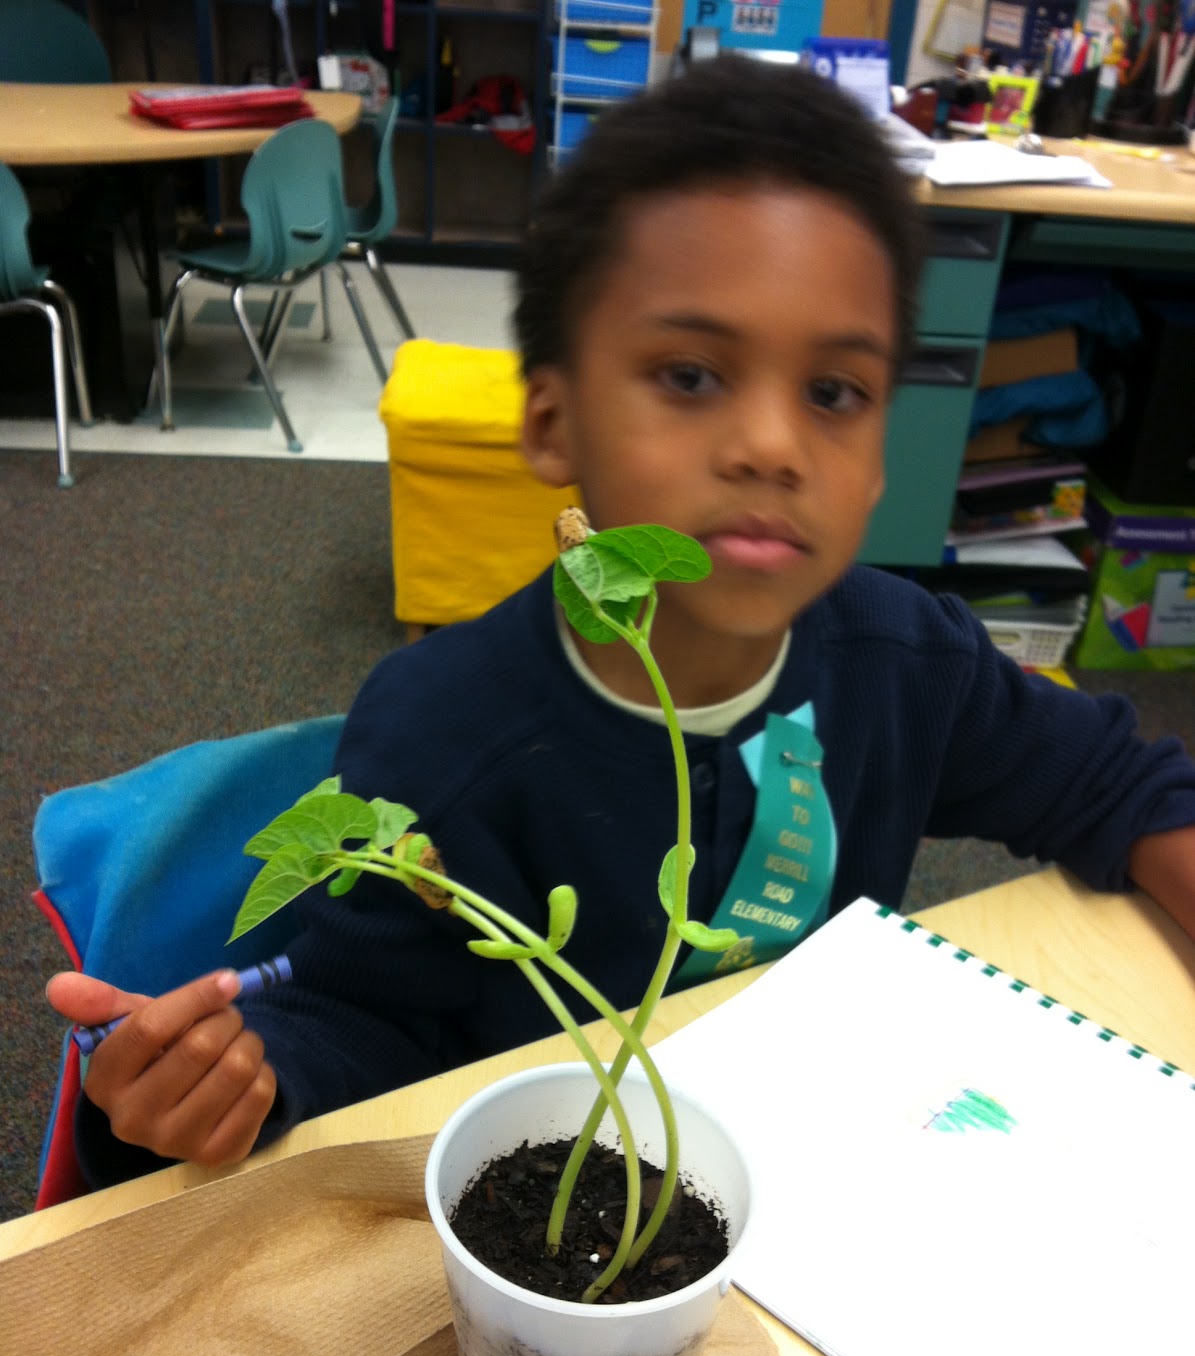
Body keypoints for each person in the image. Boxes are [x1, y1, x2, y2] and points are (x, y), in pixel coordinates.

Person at [49, 56, 1195, 1189]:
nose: (771, 445)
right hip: (557, 1198)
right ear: (553, 422)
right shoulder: (445, 733)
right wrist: (233, 1080)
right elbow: (363, 1019)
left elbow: (1116, 785)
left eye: (834, 393)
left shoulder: (908, 660)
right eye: (690, 375)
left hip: (806, 1165)